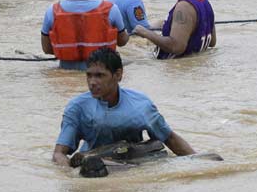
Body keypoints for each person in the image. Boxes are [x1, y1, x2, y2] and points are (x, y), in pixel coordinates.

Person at [52, 48, 196, 167]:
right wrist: (71, 176)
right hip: (93, 167)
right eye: (89, 75)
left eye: (100, 76)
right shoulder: (77, 107)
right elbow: (59, 153)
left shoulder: (141, 105)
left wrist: (198, 161)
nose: (92, 82)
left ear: (118, 75)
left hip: (135, 165)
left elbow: (169, 138)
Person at [42, 0, 128, 70]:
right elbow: (122, 42)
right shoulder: (111, 9)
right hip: (101, 76)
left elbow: (46, 49)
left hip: (66, 75)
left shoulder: (52, 11)